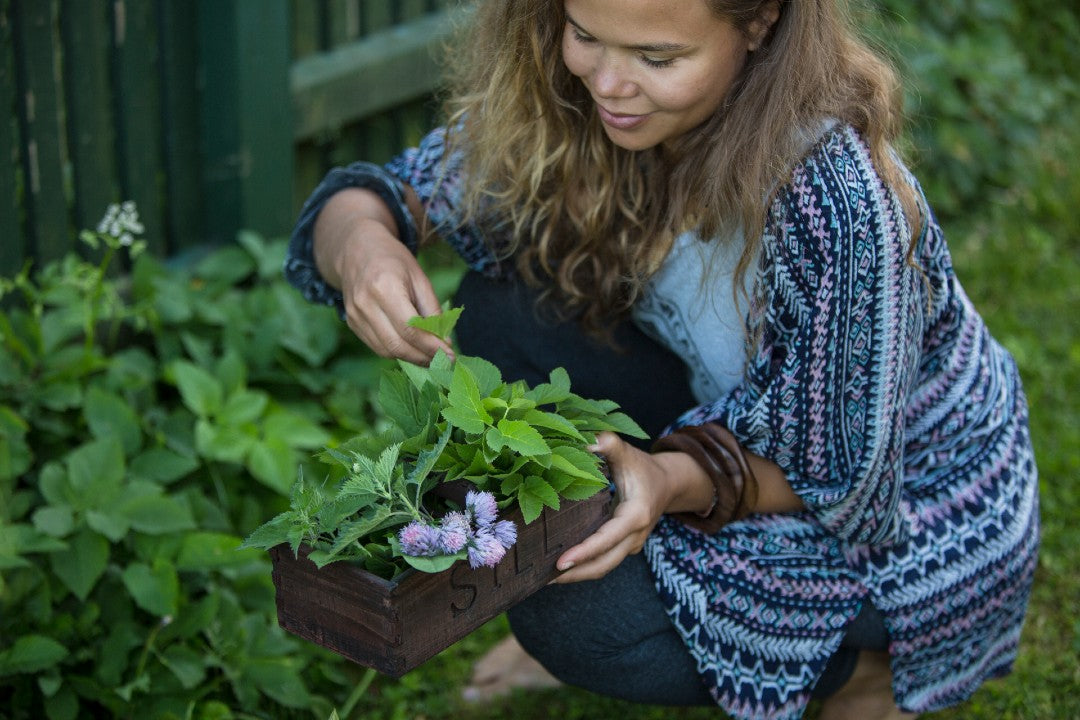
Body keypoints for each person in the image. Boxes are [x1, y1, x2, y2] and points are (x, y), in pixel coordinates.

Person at [283, 1, 1040, 718]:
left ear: (761, 22)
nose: (608, 84)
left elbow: (839, 473)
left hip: (906, 508)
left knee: (577, 610)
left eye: (657, 56)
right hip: (731, 417)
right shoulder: (581, 101)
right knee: (505, 314)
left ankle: (871, 662)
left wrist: (667, 479)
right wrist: (363, 245)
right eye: (584, 33)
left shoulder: (837, 198)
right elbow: (386, 194)